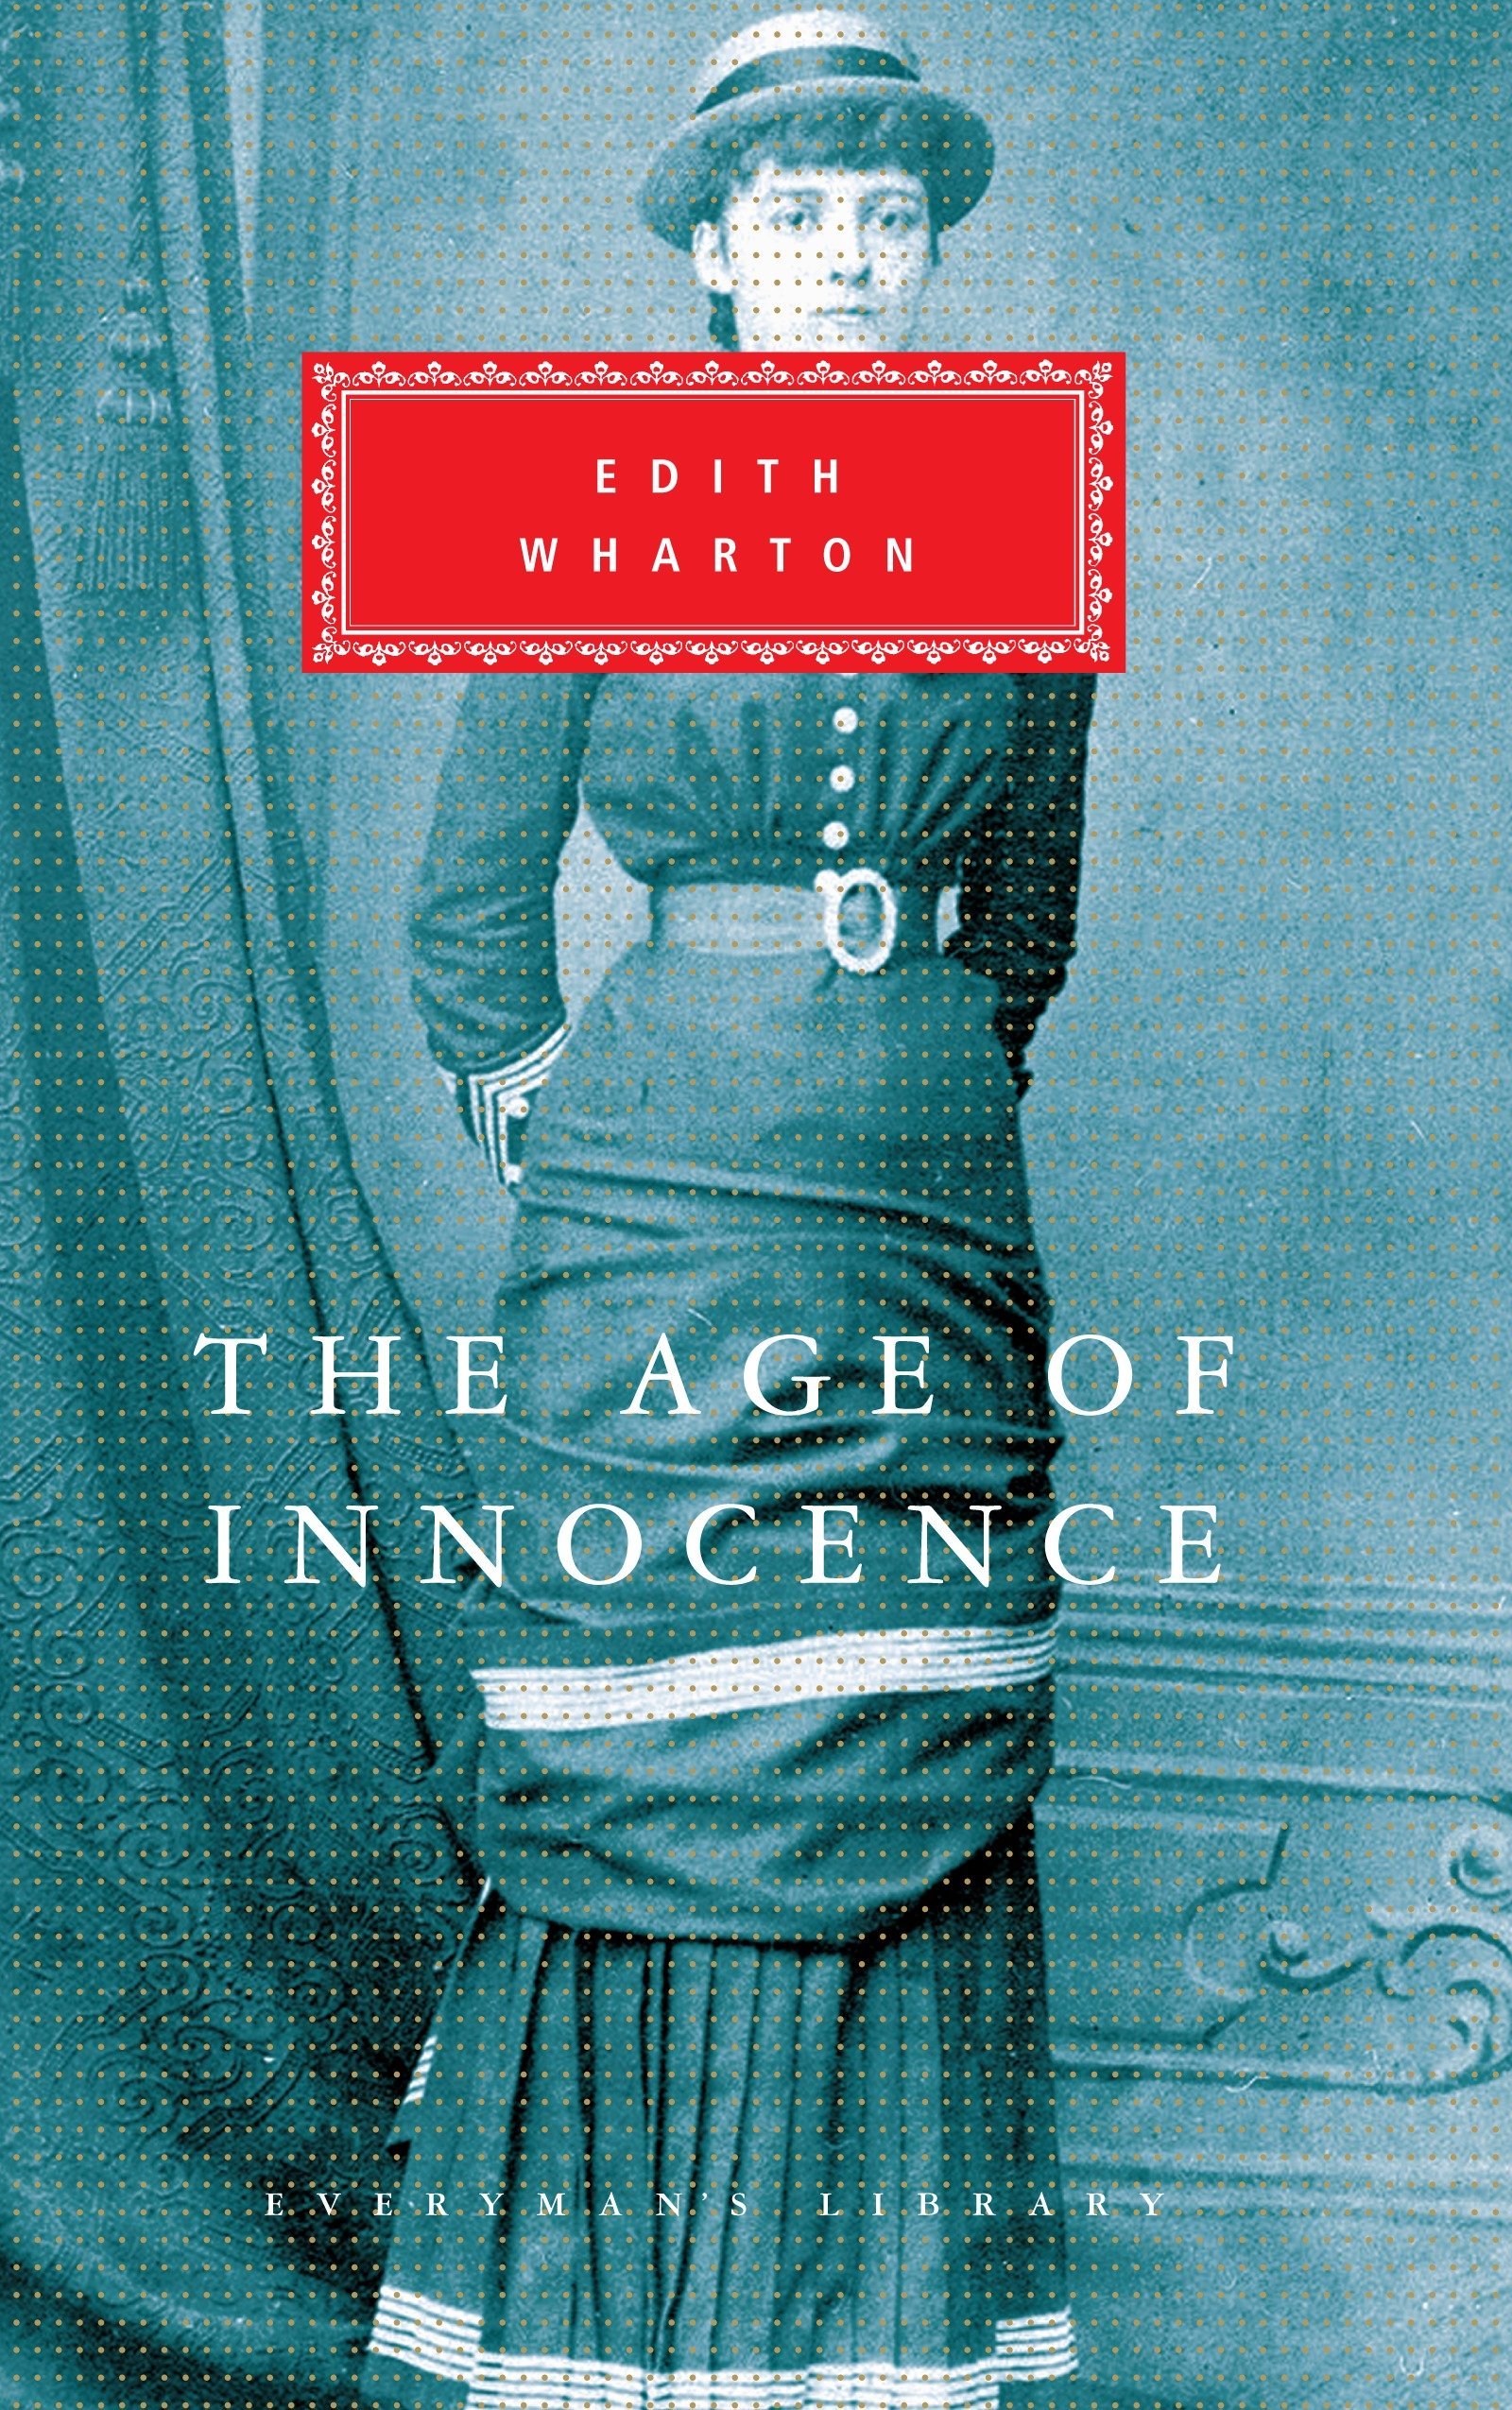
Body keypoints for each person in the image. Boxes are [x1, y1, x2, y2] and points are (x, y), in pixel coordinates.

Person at [361, 14, 1093, 2404]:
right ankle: (613, 2345)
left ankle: (872, 2350)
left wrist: (909, 1095)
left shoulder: (1029, 496)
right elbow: (470, 903)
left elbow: (1032, 906)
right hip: (657, 1166)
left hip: (914, 1178)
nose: (847, 261)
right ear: (711, 244)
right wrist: (571, 1124)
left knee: (901, 1691)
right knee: (658, 1716)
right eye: (797, 217)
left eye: (886, 220)